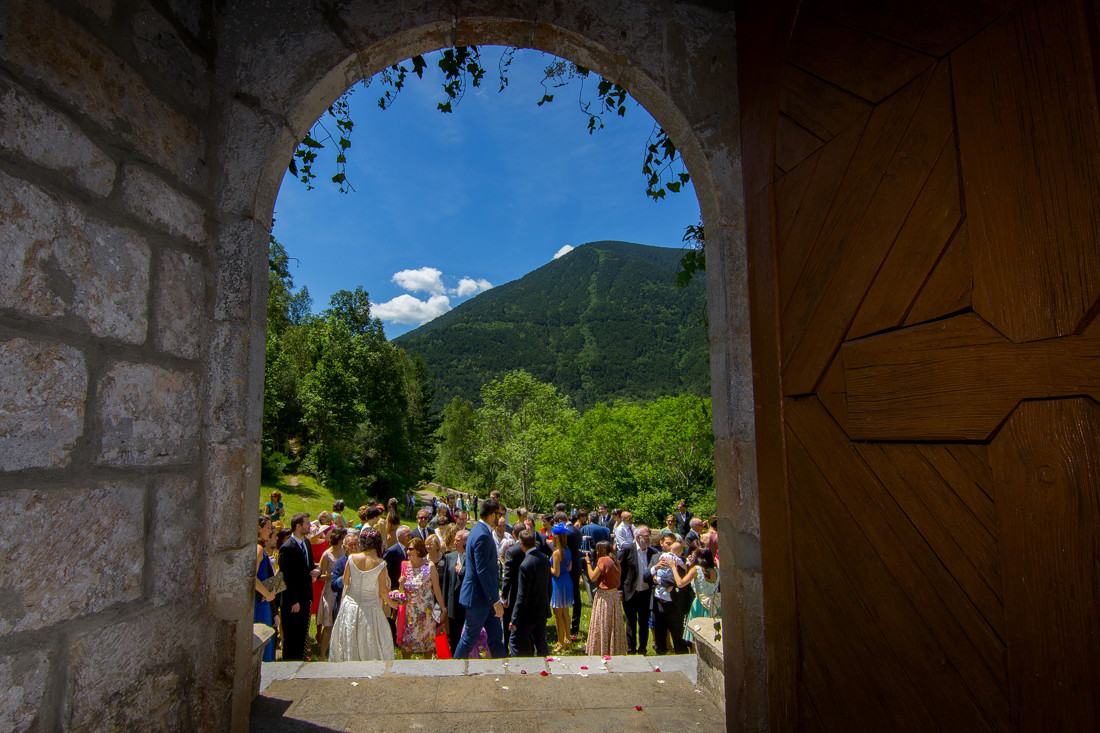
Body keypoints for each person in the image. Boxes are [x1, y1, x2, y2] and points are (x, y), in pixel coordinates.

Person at [329, 529, 397, 662]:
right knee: (370, 640)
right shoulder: (381, 564)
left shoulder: (351, 558)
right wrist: (392, 603)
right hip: (370, 607)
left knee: (350, 637)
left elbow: (345, 581)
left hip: (350, 605)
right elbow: (383, 591)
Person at [453, 498, 507, 659]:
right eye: (499, 514)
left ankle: (503, 667)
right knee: (469, 638)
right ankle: (454, 668)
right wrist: (495, 599)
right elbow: (482, 571)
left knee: (496, 637)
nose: (501, 517)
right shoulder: (482, 535)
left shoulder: (478, 530)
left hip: (486, 597)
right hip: (479, 597)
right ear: (492, 515)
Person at [278, 512, 320, 660]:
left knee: (302, 633)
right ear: (298, 526)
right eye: (307, 523)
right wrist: (293, 600)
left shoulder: (306, 543)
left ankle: (300, 660)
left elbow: (309, 565)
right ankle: (289, 664)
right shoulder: (287, 548)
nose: (310, 526)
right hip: (292, 600)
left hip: (305, 596)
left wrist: (317, 571)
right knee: (292, 636)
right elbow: (286, 577)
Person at [397, 537, 446, 658]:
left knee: (427, 643)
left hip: (426, 613)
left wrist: (443, 608)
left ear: (418, 550)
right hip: (410, 614)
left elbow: (436, 589)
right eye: (407, 549)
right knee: (407, 643)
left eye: (411, 549)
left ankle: (427, 668)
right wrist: (401, 585)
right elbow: (401, 593)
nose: (408, 552)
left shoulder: (429, 567)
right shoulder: (405, 567)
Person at [508, 529, 551, 657]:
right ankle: (544, 667)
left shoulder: (525, 565)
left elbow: (522, 595)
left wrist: (514, 619)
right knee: (541, 643)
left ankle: (519, 667)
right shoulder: (544, 560)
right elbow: (549, 586)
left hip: (527, 614)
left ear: (521, 544)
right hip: (541, 609)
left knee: (515, 642)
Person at [618, 524, 657, 654]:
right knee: (630, 621)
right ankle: (631, 648)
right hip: (631, 591)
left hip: (646, 592)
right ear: (638, 537)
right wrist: (620, 590)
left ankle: (642, 648)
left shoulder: (652, 552)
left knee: (644, 621)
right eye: (646, 536)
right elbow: (620, 570)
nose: (649, 538)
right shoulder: (628, 549)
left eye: (649, 536)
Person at [648, 536, 691, 655]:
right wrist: (656, 567)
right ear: (661, 544)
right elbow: (646, 576)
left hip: (674, 605)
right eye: (668, 543)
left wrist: (658, 580)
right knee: (660, 639)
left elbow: (677, 580)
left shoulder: (679, 560)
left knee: (678, 638)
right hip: (658, 604)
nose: (670, 546)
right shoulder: (656, 558)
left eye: (672, 544)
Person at [585, 541, 628, 657]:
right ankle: (614, 648)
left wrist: (588, 563)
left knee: (603, 623)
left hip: (604, 596)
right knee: (613, 624)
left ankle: (602, 649)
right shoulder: (615, 561)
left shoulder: (603, 560)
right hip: (614, 595)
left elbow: (593, 577)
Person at [675, 547, 721, 643]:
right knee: (713, 633)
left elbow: (680, 583)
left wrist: (672, 567)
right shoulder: (716, 571)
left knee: (697, 633)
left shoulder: (696, 570)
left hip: (700, 603)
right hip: (715, 603)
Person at [316, 527, 347, 660]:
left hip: (344, 589)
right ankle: (322, 653)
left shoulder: (346, 552)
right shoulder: (327, 554)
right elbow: (320, 576)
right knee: (328, 624)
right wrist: (330, 576)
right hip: (330, 591)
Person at [439, 529, 468, 653]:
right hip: (453, 604)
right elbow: (445, 581)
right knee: (454, 635)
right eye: (454, 540)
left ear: (465, 542)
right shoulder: (450, 557)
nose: (455, 543)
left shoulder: (472, 557)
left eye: (458, 540)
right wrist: (444, 604)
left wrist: (462, 570)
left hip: (467, 602)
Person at [499, 529, 526, 655]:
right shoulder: (499, 562)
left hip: (512, 593)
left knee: (510, 621)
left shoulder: (513, 554)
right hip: (514, 593)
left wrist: (504, 596)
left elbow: (507, 578)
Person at [254, 517, 278, 662]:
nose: (270, 531)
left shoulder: (261, 549)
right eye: (268, 528)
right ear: (259, 529)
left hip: (263, 601)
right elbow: (252, 578)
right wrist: (267, 594)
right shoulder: (257, 549)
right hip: (260, 602)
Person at [383, 526, 411, 641]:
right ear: (399, 537)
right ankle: (393, 636)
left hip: (406, 586)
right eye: (407, 535)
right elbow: (385, 569)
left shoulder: (410, 549)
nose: (410, 537)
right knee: (392, 615)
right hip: (394, 586)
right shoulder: (392, 551)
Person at [549, 522, 574, 652]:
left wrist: (548, 567)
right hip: (567, 581)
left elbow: (556, 572)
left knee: (558, 615)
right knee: (565, 613)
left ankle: (559, 642)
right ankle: (567, 639)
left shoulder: (557, 553)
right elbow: (569, 568)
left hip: (558, 583)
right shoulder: (567, 551)